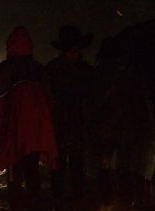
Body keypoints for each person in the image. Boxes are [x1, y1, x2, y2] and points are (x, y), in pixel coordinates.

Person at [0, 26, 57, 211]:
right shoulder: (39, 70)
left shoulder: (3, 71)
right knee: (32, 174)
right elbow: (50, 104)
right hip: (35, 135)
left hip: (13, 135)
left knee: (15, 176)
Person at [86, 36, 155, 206]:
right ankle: (121, 205)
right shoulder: (126, 75)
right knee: (122, 168)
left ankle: (111, 206)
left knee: (108, 169)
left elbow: (94, 104)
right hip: (120, 131)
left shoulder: (102, 74)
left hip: (111, 131)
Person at [46, 25, 94, 201]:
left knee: (77, 167)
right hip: (58, 125)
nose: (74, 52)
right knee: (57, 168)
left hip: (78, 125)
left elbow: (91, 98)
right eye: (71, 49)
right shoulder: (52, 70)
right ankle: (59, 205)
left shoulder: (87, 71)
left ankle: (78, 204)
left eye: (76, 48)